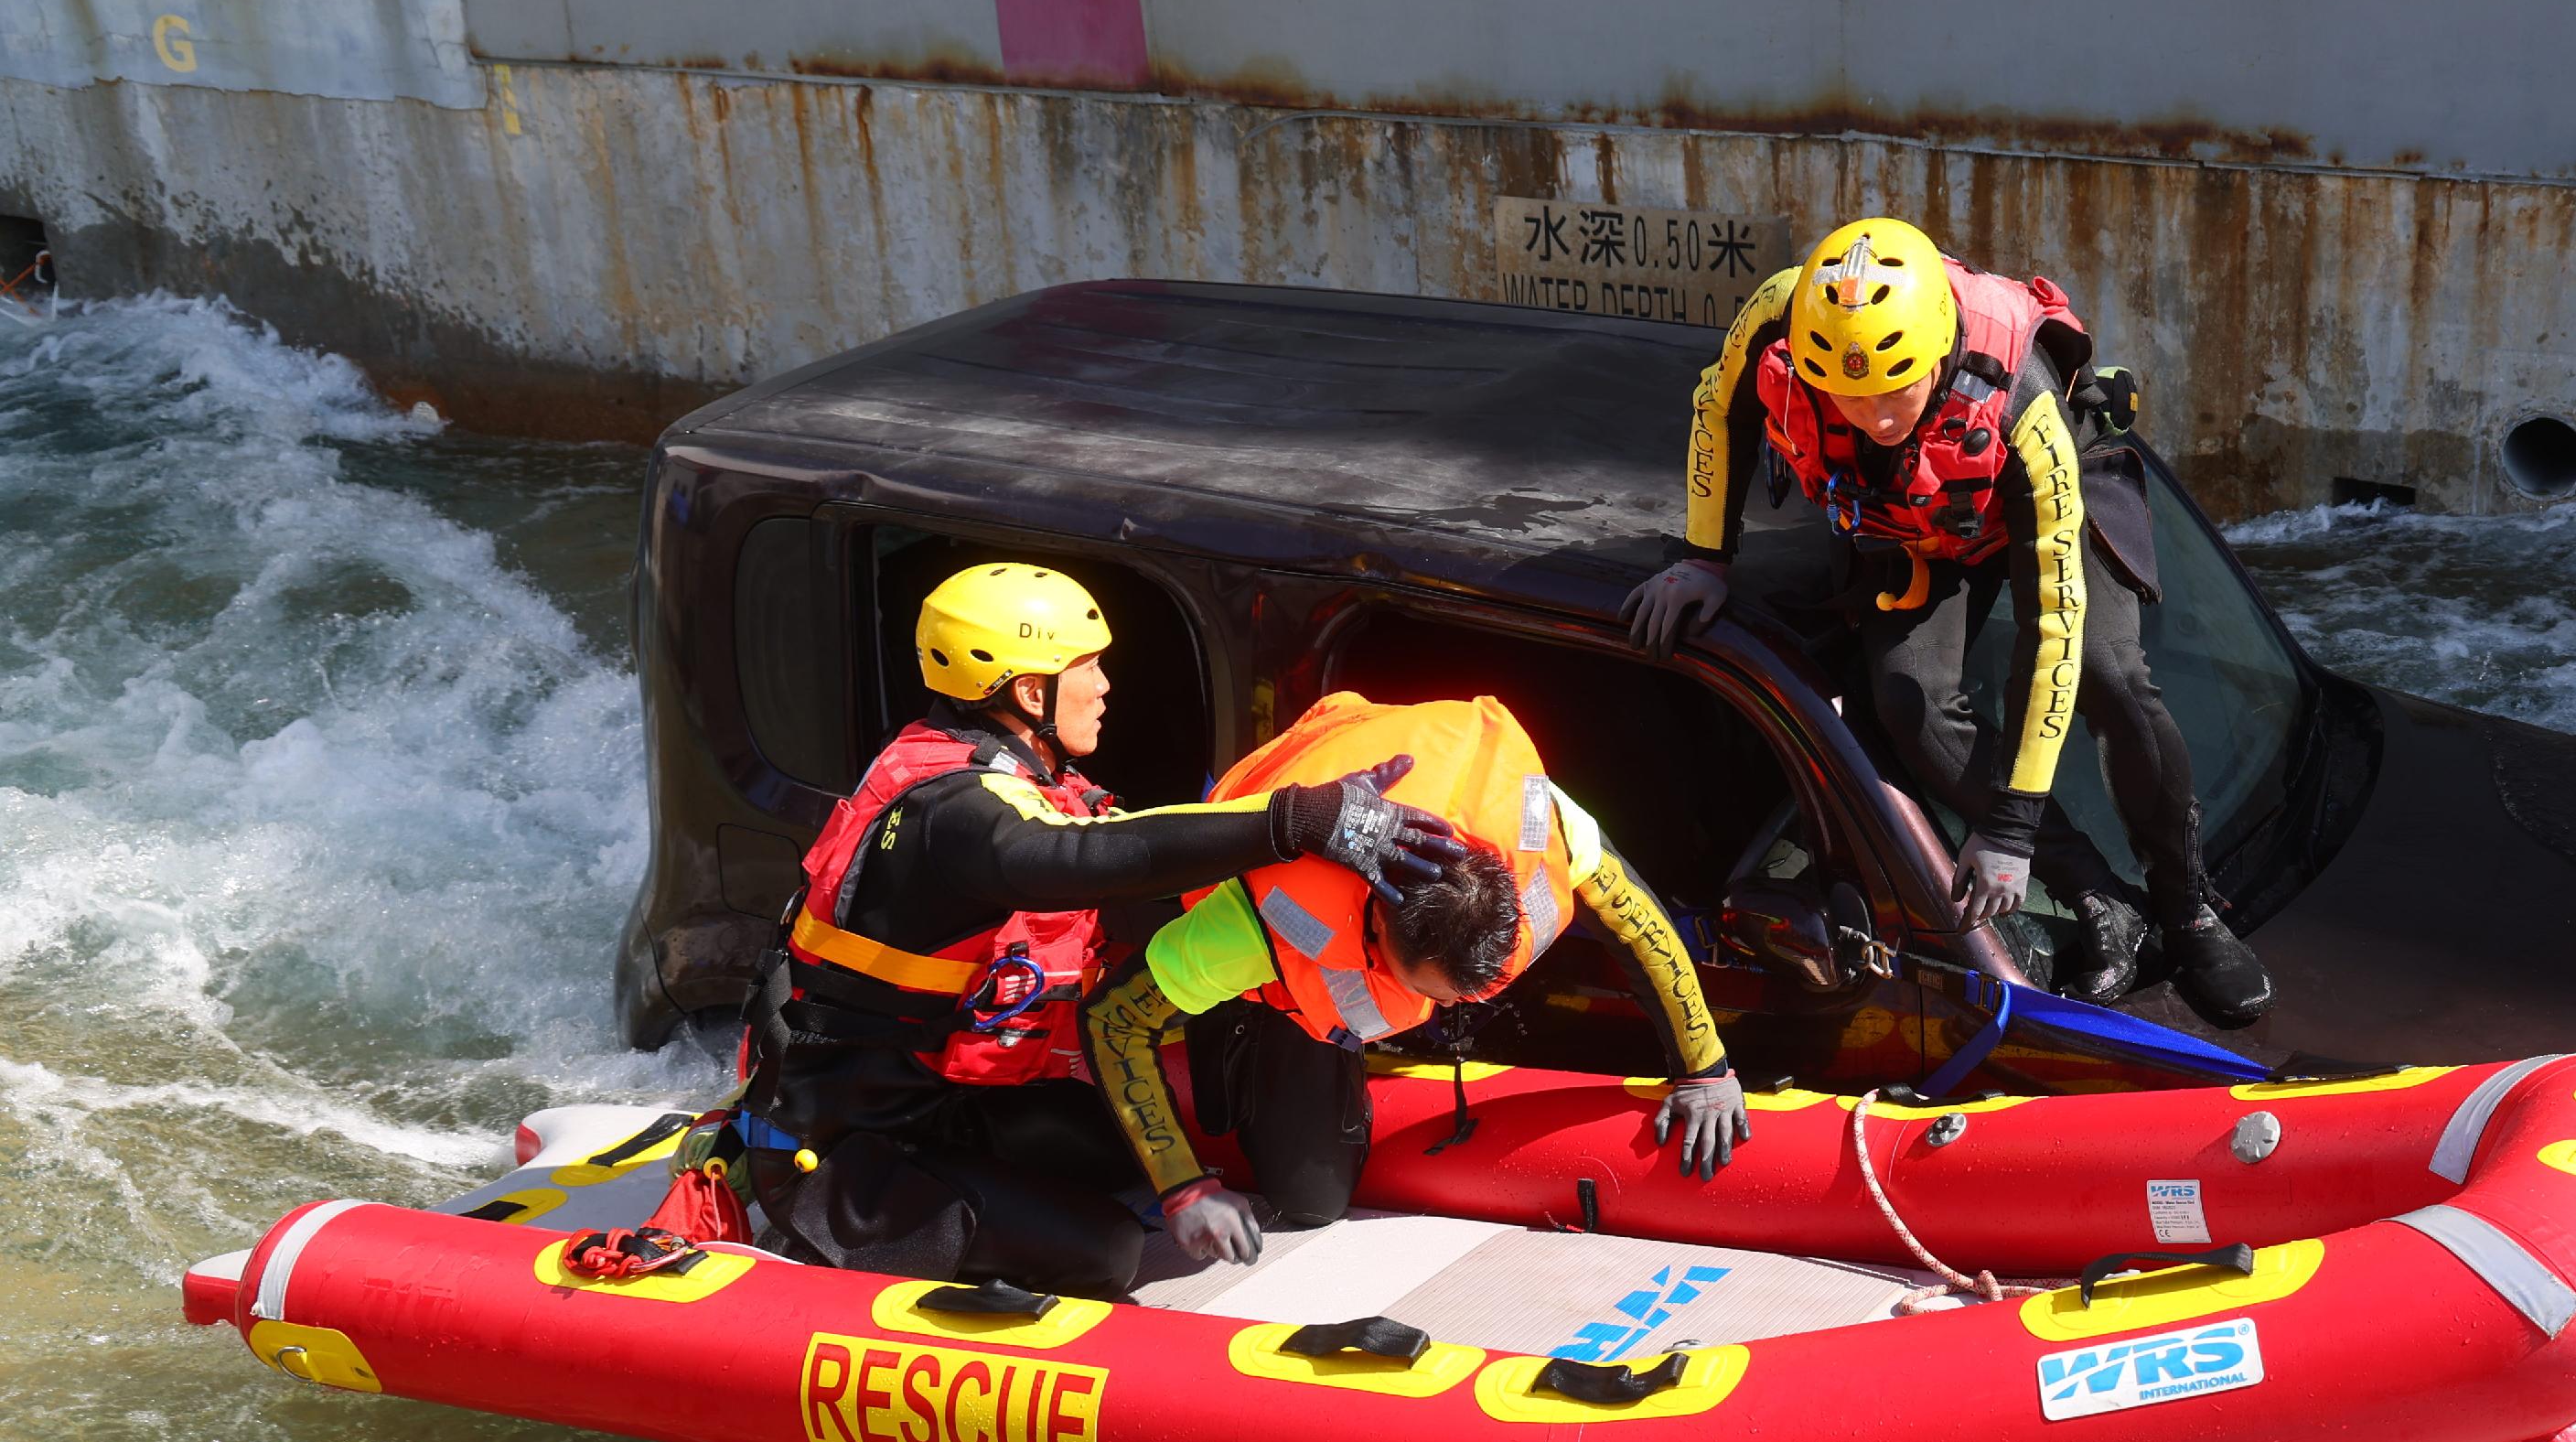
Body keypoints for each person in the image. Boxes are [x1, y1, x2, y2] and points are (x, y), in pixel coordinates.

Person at [740, 563, 1460, 1300]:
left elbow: (1137, 857)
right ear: (1029, 693)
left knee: (1123, 1165)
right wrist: (1299, 819)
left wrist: (1313, 841)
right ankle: (817, 1243)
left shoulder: (1015, 772)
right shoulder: (952, 813)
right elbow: (1072, 859)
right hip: (840, 1150)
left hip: (943, 1106)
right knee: (1105, 1251)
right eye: (1087, 666)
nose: (1106, 683)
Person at [1625, 217, 2270, 1026]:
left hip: (2038, 506)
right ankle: (2098, 894)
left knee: (2110, 676)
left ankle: (2187, 906)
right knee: (1907, 702)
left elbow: (2052, 631)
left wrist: (2006, 828)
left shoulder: (2021, 401)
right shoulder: (1777, 316)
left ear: (1935, 352)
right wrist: (1702, 559)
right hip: (1913, 522)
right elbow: (1718, 409)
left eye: (1894, 390)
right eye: (1846, 396)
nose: (1873, 415)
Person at [1082, 689, 1754, 1248]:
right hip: (1287, 850)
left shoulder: (1536, 827)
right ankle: (1249, 1033)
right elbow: (1114, 1020)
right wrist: (1182, 1184)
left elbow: (1642, 925)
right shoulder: (1256, 917)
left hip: (1432, 761)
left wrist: (1706, 1068)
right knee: (1310, 1197)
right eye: (1414, 986)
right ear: (1374, 922)